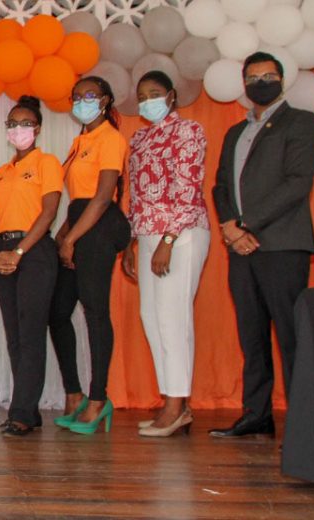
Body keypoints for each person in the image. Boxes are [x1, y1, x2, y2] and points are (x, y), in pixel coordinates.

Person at [209, 52, 314, 439]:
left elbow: (297, 183)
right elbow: (220, 186)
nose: (261, 82)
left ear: (282, 79)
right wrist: (229, 228)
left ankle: (304, 426)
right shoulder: (234, 132)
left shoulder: (302, 122)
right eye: (254, 77)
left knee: (290, 335)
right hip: (239, 248)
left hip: (282, 246)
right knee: (251, 335)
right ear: (244, 84)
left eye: (269, 75)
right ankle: (256, 415)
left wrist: (245, 225)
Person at [122, 71, 210, 438]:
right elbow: (137, 194)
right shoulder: (139, 138)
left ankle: (177, 405)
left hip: (183, 232)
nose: (148, 101)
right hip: (146, 233)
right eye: (142, 96)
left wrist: (169, 239)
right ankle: (173, 401)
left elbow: (190, 188)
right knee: (150, 316)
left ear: (171, 96)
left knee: (172, 317)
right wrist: (133, 239)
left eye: (154, 94)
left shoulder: (189, 132)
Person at [48, 76, 131, 435]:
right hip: (80, 221)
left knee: (96, 313)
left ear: (106, 99)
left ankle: (99, 399)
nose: (83, 102)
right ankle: (74, 391)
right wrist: (64, 233)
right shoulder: (80, 140)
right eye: (77, 97)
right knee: (57, 311)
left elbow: (102, 196)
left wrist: (73, 239)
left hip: (100, 224)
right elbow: (78, 196)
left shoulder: (110, 138)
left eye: (91, 96)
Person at [0, 96, 63, 437]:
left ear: (38, 128)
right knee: (14, 335)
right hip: (2, 253)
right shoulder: (1, 172)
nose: (19, 130)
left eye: (25, 124)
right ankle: (27, 411)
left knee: (31, 333)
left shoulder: (48, 162)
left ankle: (21, 412)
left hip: (33, 252)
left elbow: (48, 214)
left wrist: (17, 252)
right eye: (12, 124)